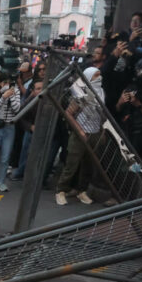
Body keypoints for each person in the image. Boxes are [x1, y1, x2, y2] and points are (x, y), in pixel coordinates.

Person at [55, 67, 105, 206]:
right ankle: (61, 190)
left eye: (99, 74)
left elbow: (102, 114)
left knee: (89, 165)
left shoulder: (101, 92)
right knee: (72, 164)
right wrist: (80, 131)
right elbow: (69, 113)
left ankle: (82, 191)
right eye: (96, 75)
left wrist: (102, 131)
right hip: (80, 133)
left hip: (95, 132)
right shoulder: (81, 92)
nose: (99, 77)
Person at [116, 57, 142, 164]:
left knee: (139, 163)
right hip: (128, 130)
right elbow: (118, 108)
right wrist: (121, 101)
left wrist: (138, 104)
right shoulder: (131, 87)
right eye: (139, 70)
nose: (141, 73)